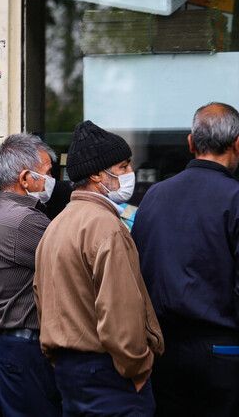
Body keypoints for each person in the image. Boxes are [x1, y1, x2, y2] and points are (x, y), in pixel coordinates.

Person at [34, 120, 163, 416]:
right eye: (123, 166)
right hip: (110, 374)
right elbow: (120, 311)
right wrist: (138, 369)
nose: (130, 174)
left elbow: (42, 300)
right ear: (96, 174)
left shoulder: (56, 225)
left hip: (71, 372)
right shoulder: (106, 227)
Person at [131, 102, 239, 416]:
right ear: (236, 144)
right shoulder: (234, 198)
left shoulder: (153, 196)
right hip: (224, 350)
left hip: (164, 351)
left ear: (191, 143)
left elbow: (139, 270)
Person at [0, 134, 61, 416]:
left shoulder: (8, 212)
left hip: (18, 349)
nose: (52, 179)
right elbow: (73, 266)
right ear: (26, 178)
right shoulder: (24, 220)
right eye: (48, 173)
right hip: (27, 351)